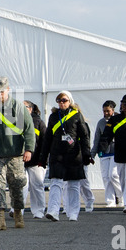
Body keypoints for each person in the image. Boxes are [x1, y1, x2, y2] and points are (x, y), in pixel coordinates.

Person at [0, 76, 35, 230]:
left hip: (15, 154)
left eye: (2, 91)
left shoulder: (18, 107)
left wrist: (29, 149)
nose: (0, 94)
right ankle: (0, 218)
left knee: (17, 185)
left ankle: (18, 214)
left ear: (8, 90)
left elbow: (29, 129)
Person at [41, 91, 92, 222]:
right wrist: (43, 157)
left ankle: (73, 212)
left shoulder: (76, 115)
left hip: (74, 155)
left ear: (70, 101)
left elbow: (84, 136)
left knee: (74, 185)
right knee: (56, 182)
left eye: (64, 100)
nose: (61, 103)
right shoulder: (53, 116)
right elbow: (47, 139)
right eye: (59, 100)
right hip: (57, 154)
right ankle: (53, 211)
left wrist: (87, 154)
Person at [91, 100, 123, 207]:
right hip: (104, 152)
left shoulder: (118, 120)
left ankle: (121, 195)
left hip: (116, 151)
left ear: (113, 110)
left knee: (113, 175)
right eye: (104, 111)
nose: (106, 113)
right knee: (106, 177)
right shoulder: (101, 123)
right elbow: (97, 139)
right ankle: (110, 201)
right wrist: (93, 153)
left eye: (108, 111)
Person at [20, 100, 47, 219]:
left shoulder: (39, 123)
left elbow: (44, 142)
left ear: (30, 109)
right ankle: (17, 210)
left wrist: (42, 158)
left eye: (25, 107)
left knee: (37, 186)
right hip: (20, 160)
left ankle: (39, 210)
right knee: (21, 185)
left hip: (36, 160)